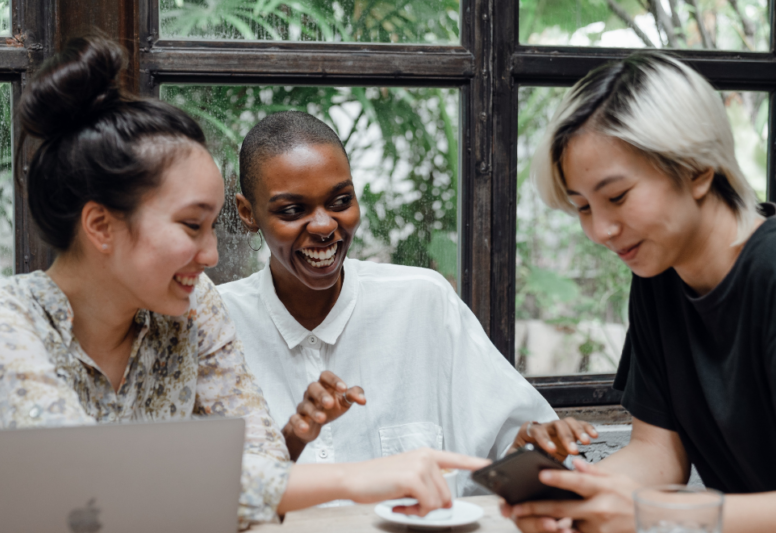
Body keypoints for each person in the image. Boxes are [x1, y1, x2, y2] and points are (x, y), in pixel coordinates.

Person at [0, 36, 491, 530]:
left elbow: (263, 469)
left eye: (214, 225)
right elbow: (84, 477)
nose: (212, 254)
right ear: (101, 225)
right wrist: (356, 480)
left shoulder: (191, 308)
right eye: (191, 225)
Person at [503, 53, 776, 533]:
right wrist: (573, 499)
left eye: (616, 197)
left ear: (698, 168)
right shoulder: (658, 277)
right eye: (582, 208)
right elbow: (658, 455)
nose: (601, 230)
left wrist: (657, 512)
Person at [217, 111, 576, 497]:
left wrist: (534, 449)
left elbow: (513, 445)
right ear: (247, 213)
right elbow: (208, 495)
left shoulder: (423, 302)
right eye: (292, 210)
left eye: (340, 200)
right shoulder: (217, 325)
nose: (324, 226)